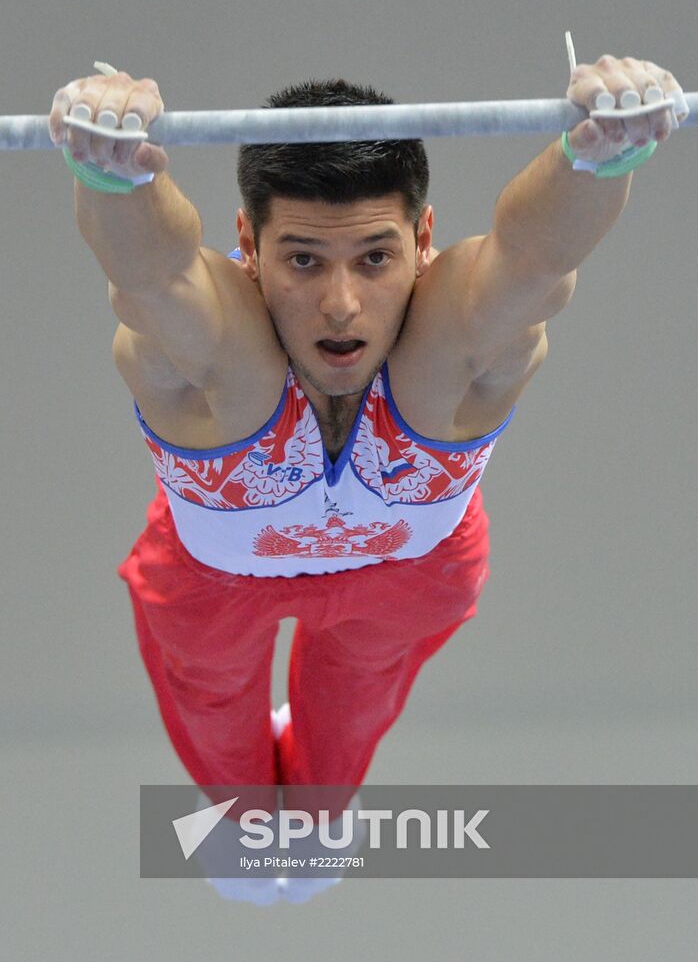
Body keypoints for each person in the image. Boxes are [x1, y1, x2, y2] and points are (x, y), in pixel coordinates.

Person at [48, 53, 686, 904]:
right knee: (230, 769)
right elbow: (151, 276)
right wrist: (113, 167)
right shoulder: (219, 353)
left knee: (330, 768)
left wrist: (602, 152)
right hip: (213, 583)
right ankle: (246, 822)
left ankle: (306, 819)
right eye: (304, 261)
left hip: (404, 579)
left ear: (424, 242)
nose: (342, 305)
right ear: (247, 245)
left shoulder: (448, 344)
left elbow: (534, 262)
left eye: (376, 259)